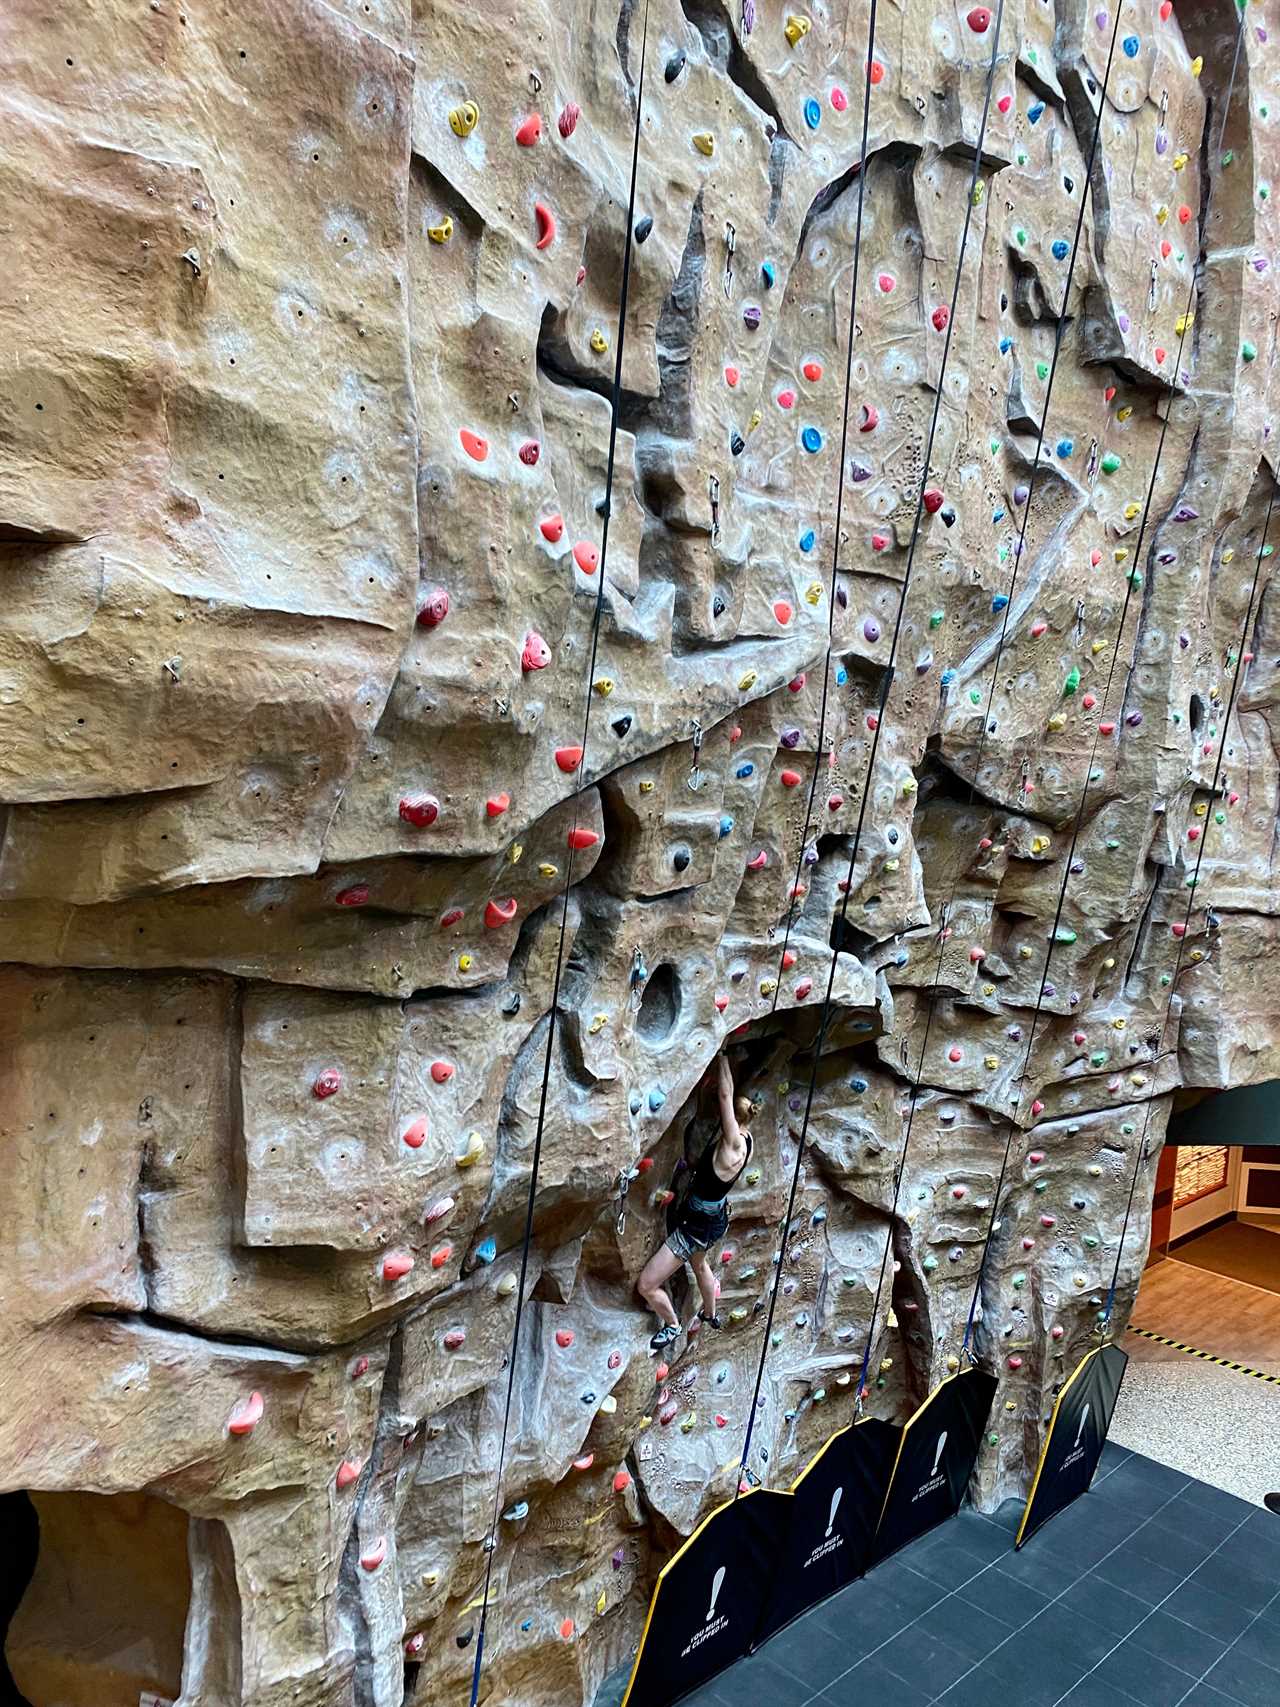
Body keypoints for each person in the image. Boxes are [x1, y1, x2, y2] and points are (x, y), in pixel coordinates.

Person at [637, 1052, 753, 1351]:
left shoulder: (735, 1144)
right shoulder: (748, 1140)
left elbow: (726, 1094)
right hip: (712, 1220)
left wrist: (724, 1054)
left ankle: (673, 1325)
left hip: (693, 1228)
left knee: (647, 1285)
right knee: (700, 1265)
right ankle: (711, 1314)